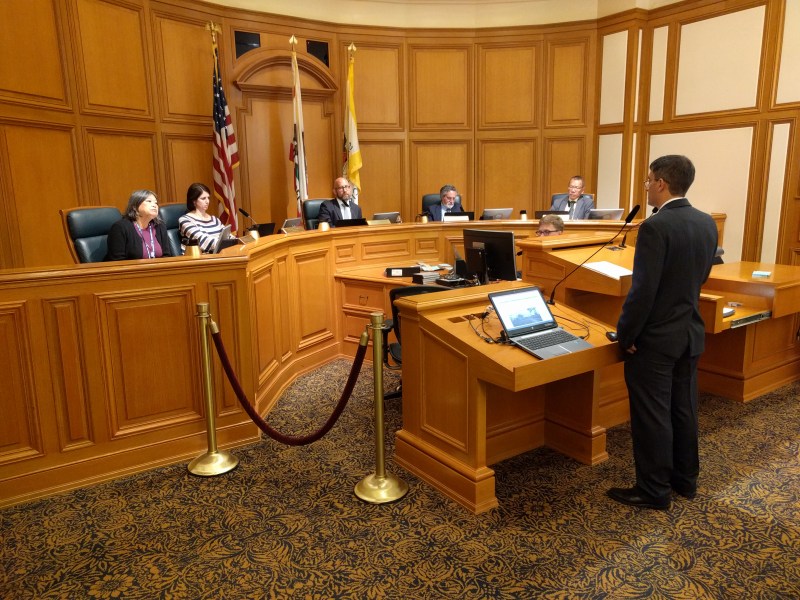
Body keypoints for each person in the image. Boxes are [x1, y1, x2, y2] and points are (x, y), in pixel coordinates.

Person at [607, 155, 718, 510]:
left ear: (661, 184)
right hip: (689, 332)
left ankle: (653, 490)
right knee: (682, 408)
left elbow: (643, 293)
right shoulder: (705, 222)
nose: (647, 186)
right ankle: (685, 480)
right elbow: (700, 278)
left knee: (653, 415)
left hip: (655, 340)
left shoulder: (655, 227)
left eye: (648, 180)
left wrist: (626, 335)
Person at [106, 190, 174, 261]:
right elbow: (117, 261)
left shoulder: (159, 226)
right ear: (135, 206)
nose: (154, 205)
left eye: (156, 203)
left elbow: (167, 256)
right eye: (149, 201)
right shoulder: (120, 228)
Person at [178, 183, 225, 253]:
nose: (207, 201)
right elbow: (202, 240)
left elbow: (227, 236)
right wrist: (225, 243)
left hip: (218, 255)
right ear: (194, 201)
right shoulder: (185, 220)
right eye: (203, 198)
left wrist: (237, 241)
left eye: (208, 198)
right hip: (198, 259)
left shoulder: (215, 220)